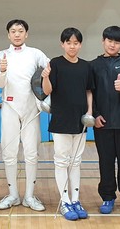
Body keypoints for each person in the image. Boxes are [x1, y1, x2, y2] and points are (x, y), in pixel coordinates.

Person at [0, 19, 50, 211]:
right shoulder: (1, 55)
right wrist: (2, 71)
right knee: (9, 152)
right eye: (13, 31)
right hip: (9, 107)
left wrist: (45, 97)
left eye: (20, 31)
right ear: (8, 35)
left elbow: (50, 71)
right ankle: (13, 195)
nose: (17, 34)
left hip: (31, 109)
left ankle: (29, 196)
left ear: (26, 34)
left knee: (31, 153)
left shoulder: (36, 54)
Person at [41, 27, 94, 221]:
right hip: (61, 119)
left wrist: (89, 112)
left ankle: (76, 200)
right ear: (62, 44)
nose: (72, 46)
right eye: (68, 43)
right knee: (62, 160)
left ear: (80, 45)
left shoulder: (86, 66)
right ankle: (65, 201)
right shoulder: (55, 64)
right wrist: (46, 76)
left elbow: (89, 91)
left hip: (80, 120)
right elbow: (47, 91)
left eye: (76, 43)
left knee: (76, 161)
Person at [90, 26, 120, 214]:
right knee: (106, 161)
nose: (112, 45)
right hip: (102, 123)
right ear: (103, 41)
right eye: (109, 41)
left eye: (117, 42)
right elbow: (90, 93)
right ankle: (108, 197)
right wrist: (95, 115)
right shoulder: (93, 65)